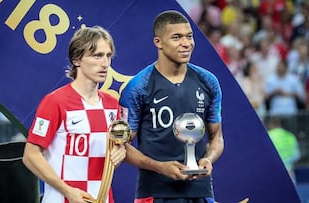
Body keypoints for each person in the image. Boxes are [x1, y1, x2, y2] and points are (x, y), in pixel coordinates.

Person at [119, 10, 224, 203]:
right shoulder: (138, 87)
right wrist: (160, 167)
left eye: (189, 36)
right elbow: (121, 147)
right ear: (158, 42)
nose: (186, 43)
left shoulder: (209, 81)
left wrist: (208, 159)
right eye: (177, 37)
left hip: (201, 192)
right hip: (155, 192)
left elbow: (216, 136)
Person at [22, 26, 126, 203]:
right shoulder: (55, 101)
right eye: (97, 55)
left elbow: (117, 146)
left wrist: (121, 150)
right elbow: (30, 156)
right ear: (77, 59)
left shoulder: (113, 105)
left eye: (108, 56)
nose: (105, 63)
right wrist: (68, 191)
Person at [267, 116, 301, 183]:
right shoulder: (291, 136)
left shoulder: (267, 135)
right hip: (289, 172)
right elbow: (297, 155)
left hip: (272, 173)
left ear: (271, 124)